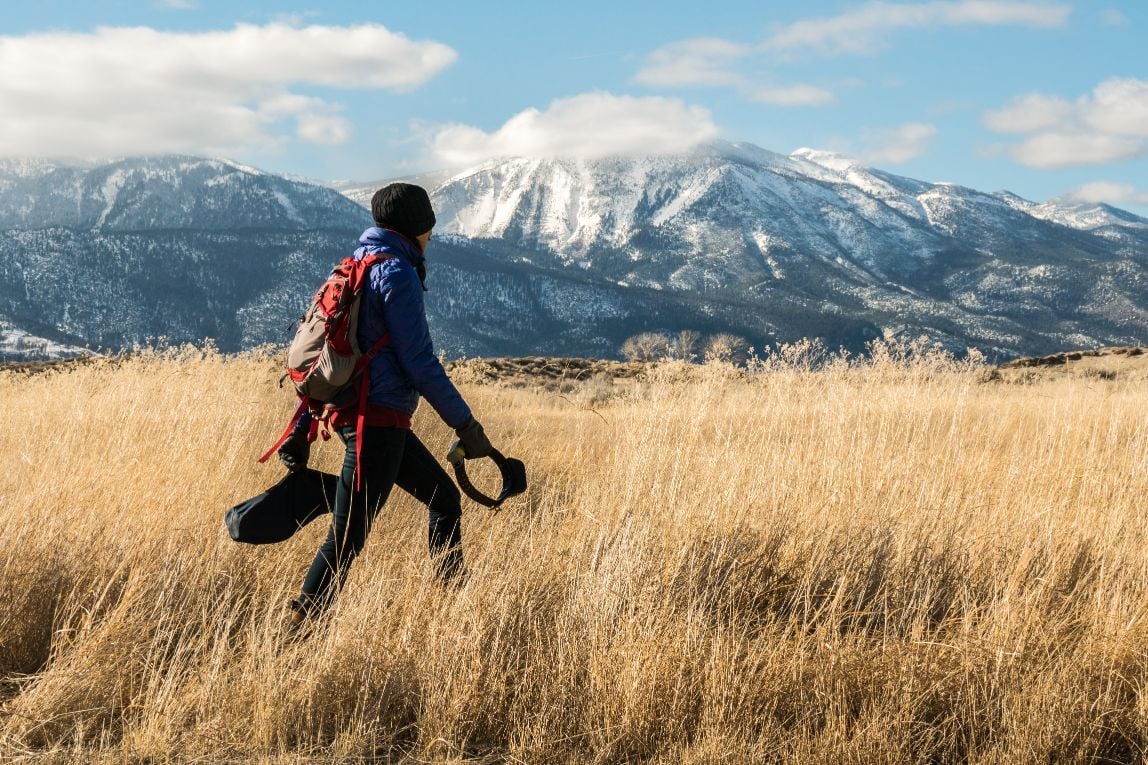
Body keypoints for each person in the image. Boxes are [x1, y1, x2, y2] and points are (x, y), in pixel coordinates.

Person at [276, 183, 492, 626]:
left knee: (445, 499)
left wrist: (302, 425)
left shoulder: (357, 263)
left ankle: (453, 610)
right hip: (375, 420)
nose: (431, 234)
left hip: (364, 415)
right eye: (428, 225)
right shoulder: (396, 272)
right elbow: (419, 363)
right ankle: (296, 630)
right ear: (417, 226)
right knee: (348, 534)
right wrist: (465, 425)